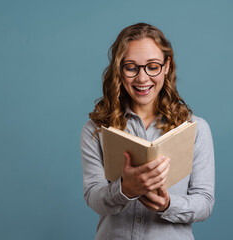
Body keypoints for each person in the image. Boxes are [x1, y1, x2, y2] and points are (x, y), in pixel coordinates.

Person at [80, 22, 215, 240]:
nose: (142, 78)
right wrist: (124, 190)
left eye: (152, 66)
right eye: (131, 67)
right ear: (119, 69)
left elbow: (205, 202)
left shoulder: (196, 130)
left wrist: (169, 205)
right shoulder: (96, 129)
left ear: (167, 66)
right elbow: (94, 197)